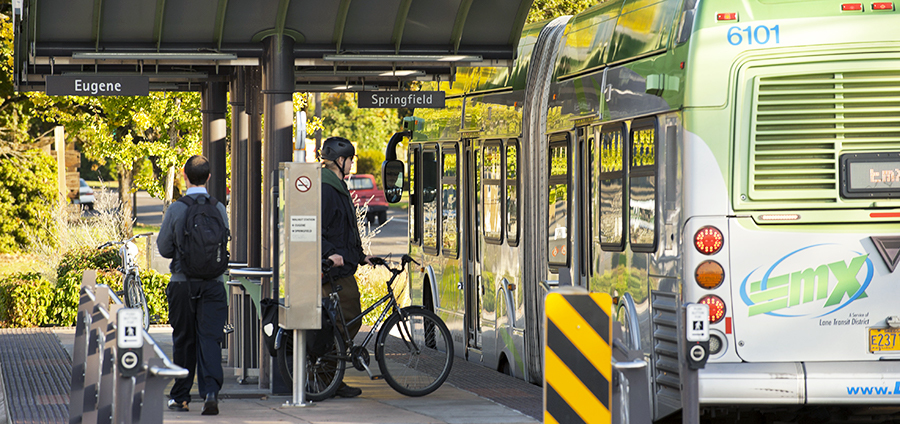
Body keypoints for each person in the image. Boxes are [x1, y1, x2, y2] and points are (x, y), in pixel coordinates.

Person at [157, 155, 229, 415]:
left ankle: (181, 396)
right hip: (213, 284)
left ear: (184, 176)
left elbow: (164, 249)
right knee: (210, 339)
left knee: (184, 340)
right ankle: (210, 392)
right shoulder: (219, 208)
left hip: (182, 283)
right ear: (208, 177)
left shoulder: (177, 209)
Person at [319, 136, 375, 398]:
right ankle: (328, 376)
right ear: (340, 160)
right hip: (333, 271)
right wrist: (331, 254)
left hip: (341, 267)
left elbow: (345, 229)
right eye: (350, 159)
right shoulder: (327, 189)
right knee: (346, 320)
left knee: (343, 321)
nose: (352, 163)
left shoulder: (335, 186)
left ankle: (329, 375)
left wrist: (360, 255)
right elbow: (315, 228)